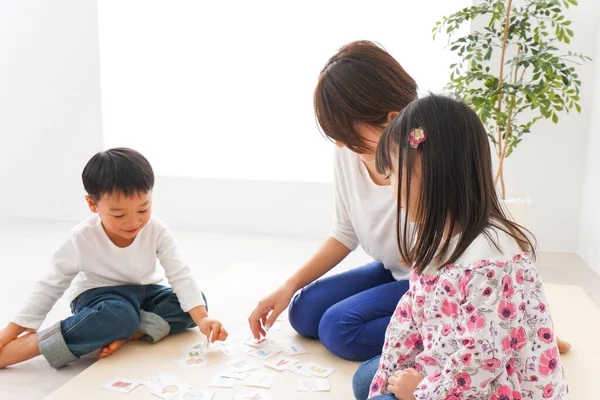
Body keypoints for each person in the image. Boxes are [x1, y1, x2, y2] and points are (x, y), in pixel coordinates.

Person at [352, 95, 567, 399]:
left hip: (497, 385)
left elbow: (483, 362)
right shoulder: (438, 238)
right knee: (367, 379)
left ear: (432, 171)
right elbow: (409, 319)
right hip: (454, 366)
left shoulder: (492, 259)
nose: (393, 194)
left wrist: (420, 391)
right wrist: (391, 373)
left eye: (395, 177)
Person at [248, 41, 418, 361]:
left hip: (436, 282)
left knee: (340, 330)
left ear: (392, 118)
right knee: (303, 311)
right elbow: (345, 230)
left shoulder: (426, 159)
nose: (341, 143)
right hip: (392, 269)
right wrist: (288, 285)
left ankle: (443, 330)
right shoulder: (349, 149)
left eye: (348, 134)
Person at [0, 148, 228, 369]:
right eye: (119, 215)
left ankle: (129, 333)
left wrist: (203, 320)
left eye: (143, 209)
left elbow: (180, 275)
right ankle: (35, 345)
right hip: (99, 297)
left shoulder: (158, 230)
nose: (133, 222)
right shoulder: (82, 238)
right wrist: (12, 331)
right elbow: (51, 284)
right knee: (118, 315)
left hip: (146, 293)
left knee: (194, 302)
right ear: (92, 204)